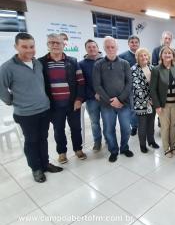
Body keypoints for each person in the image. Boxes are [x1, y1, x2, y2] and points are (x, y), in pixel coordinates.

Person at [0, 33, 63, 183]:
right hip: (26, 113)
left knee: (43, 139)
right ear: (16, 47)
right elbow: (2, 90)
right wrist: (13, 102)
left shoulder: (38, 63)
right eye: (24, 47)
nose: (29, 50)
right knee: (31, 141)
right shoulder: (7, 67)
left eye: (32, 46)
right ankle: (36, 168)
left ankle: (45, 163)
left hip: (44, 109)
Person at [39, 33, 86, 164]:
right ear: (47, 45)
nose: (54, 45)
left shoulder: (73, 61)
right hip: (54, 106)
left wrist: (79, 99)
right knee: (58, 130)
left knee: (76, 128)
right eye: (51, 42)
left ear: (63, 44)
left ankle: (78, 149)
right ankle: (62, 152)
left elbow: (81, 81)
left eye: (57, 43)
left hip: (72, 104)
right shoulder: (40, 63)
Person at [93, 37, 134, 162]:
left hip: (124, 104)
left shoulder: (125, 64)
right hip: (106, 105)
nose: (110, 49)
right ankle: (113, 150)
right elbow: (97, 85)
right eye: (108, 47)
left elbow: (129, 83)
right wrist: (111, 101)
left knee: (126, 128)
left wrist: (120, 99)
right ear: (104, 48)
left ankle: (124, 147)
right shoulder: (98, 64)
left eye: (113, 47)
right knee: (108, 129)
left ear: (117, 48)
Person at [150, 46, 175, 158]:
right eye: (165, 53)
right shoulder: (156, 69)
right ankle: (166, 148)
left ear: (173, 56)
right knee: (165, 127)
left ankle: (173, 146)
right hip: (163, 104)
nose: (167, 55)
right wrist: (157, 105)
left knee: (173, 126)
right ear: (161, 55)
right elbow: (152, 89)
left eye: (170, 53)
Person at [131, 48, 159, 153]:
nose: (144, 57)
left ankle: (151, 141)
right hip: (140, 102)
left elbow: (156, 85)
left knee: (151, 123)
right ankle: (142, 145)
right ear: (137, 57)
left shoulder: (152, 68)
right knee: (142, 125)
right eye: (141, 56)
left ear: (148, 57)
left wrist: (154, 99)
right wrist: (148, 99)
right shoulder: (134, 69)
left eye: (145, 55)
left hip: (153, 102)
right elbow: (137, 87)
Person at [79, 39, 104, 151]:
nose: (92, 49)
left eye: (94, 47)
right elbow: (82, 83)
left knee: (108, 121)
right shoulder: (81, 64)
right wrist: (94, 94)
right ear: (86, 49)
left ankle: (109, 139)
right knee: (94, 122)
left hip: (105, 98)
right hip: (91, 99)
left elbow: (108, 80)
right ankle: (97, 142)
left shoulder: (105, 61)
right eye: (89, 47)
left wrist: (103, 94)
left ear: (98, 48)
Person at [119, 35, 140, 136]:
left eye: (136, 42)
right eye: (132, 42)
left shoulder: (143, 54)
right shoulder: (122, 56)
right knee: (133, 108)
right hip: (130, 87)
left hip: (142, 87)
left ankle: (142, 125)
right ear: (128, 44)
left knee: (142, 107)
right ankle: (134, 126)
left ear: (139, 44)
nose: (134, 44)